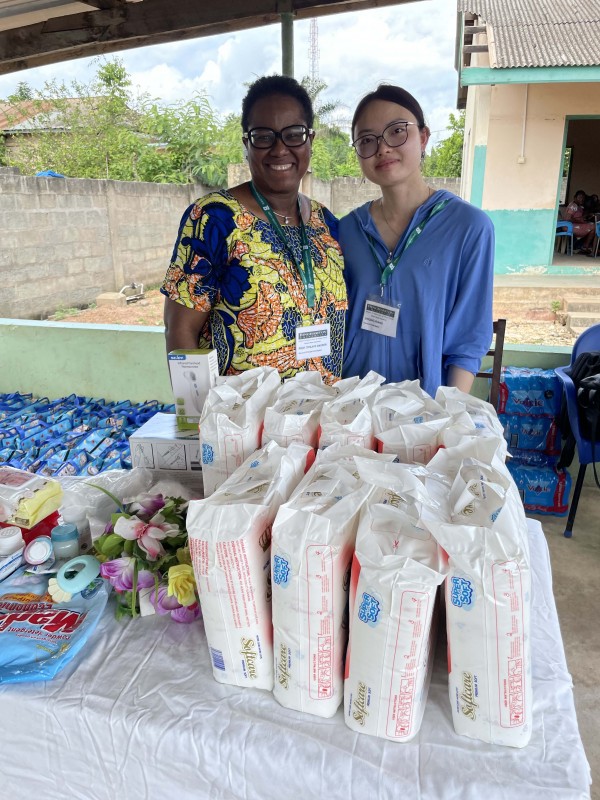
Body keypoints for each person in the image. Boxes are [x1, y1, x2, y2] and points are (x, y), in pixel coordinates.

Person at [161, 75, 347, 383]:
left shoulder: (326, 224)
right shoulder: (214, 219)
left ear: (310, 141)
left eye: (294, 134)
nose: (279, 149)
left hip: (321, 419)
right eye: (263, 136)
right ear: (247, 144)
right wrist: (199, 418)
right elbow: (180, 329)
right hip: (242, 424)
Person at [339, 84, 494, 396]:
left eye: (397, 131)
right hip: (350, 410)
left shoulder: (468, 228)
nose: (382, 148)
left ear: (423, 137)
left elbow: (469, 338)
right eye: (367, 140)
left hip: (423, 414)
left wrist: (447, 416)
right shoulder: (345, 231)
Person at [564, 190, 595, 254]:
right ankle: (584, 247)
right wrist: (580, 221)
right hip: (569, 226)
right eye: (580, 197)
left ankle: (580, 246)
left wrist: (587, 216)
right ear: (575, 198)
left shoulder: (579, 207)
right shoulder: (573, 206)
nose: (582, 199)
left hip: (574, 225)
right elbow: (568, 219)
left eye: (583, 198)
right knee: (593, 227)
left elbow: (579, 217)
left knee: (591, 225)